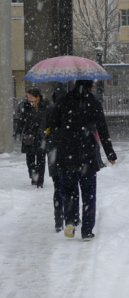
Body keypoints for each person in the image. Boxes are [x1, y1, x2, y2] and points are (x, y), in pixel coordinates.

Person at [49, 80, 117, 241]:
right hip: (87, 155)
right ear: (90, 86)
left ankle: (71, 222)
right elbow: (103, 129)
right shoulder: (93, 102)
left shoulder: (63, 101)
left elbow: (53, 125)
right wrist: (110, 154)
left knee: (69, 192)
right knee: (89, 194)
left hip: (66, 155)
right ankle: (86, 230)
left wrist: (62, 136)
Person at [44, 86, 67, 232]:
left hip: (53, 154)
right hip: (67, 154)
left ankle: (58, 220)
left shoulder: (49, 111)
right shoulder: (69, 111)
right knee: (70, 188)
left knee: (58, 188)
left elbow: (44, 131)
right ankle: (73, 217)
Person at [15, 88, 49, 188]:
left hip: (41, 137)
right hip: (29, 137)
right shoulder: (25, 106)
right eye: (27, 96)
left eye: (30, 96)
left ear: (37, 97)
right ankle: (33, 175)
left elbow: (49, 121)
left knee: (41, 160)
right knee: (30, 160)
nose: (28, 98)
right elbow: (21, 120)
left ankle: (40, 181)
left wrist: (47, 132)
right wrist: (18, 131)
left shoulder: (45, 106)